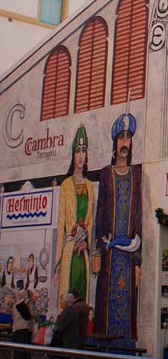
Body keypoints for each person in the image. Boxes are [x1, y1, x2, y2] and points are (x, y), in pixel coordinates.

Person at [93, 112, 143, 349]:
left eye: (128, 137)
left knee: (128, 299)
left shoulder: (136, 174)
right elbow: (101, 211)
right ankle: (105, 344)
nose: (125, 142)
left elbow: (139, 211)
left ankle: (125, 345)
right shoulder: (106, 173)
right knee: (106, 298)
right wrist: (100, 245)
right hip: (110, 251)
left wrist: (138, 257)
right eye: (121, 137)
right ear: (115, 142)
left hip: (128, 250)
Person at [55, 125, 94, 309]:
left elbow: (90, 220)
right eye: (78, 150)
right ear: (73, 154)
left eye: (84, 150)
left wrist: (87, 243)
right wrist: (58, 262)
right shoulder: (65, 185)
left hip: (82, 251)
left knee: (82, 297)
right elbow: (61, 223)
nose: (81, 155)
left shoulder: (90, 185)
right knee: (67, 296)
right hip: (70, 250)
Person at [52, 292, 84, 359]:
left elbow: (60, 326)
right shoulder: (72, 311)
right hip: (70, 341)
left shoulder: (68, 312)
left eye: (62, 301)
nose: (60, 303)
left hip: (66, 341)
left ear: (66, 302)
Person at [12, 289, 37, 359]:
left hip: (16, 327)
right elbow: (33, 314)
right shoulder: (29, 302)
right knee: (25, 348)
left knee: (17, 348)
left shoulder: (16, 303)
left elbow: (13, 316)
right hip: (25, 327)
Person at [69, 289, 90, 359]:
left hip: (77, 334)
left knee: (78, 357)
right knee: (81, 355)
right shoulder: (84, 304)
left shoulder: (76, 307)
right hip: (82, 332)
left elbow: (73, 321)